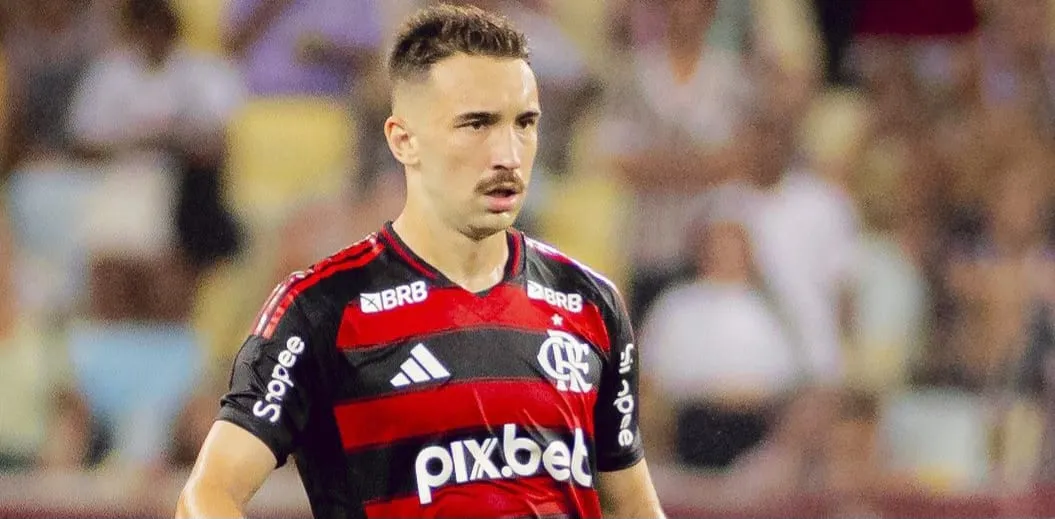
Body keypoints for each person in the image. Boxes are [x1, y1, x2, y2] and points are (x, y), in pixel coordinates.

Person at [176, 4, 666, 518]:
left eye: (524, 123)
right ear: (403, 140)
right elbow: (207, 495)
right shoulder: (321, 308)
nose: (508, 154)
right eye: (476, 124)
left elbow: (637, 509)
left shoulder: (589, 302)